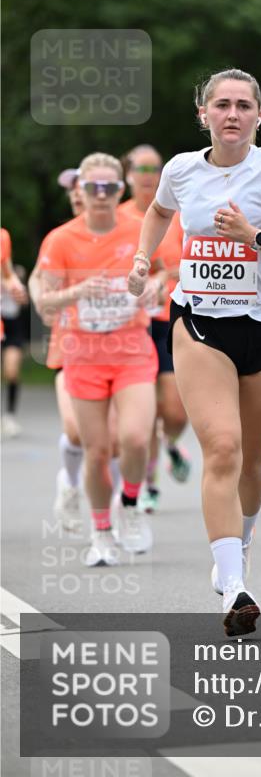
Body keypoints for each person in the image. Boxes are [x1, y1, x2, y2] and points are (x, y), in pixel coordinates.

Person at [127, 68, 261, 636]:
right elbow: (160, 212)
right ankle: (234, 587)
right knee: (222, 447)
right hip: (200, 323)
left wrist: (253, 238)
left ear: (259, 116)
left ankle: (238, 542)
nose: (232, 114)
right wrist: (144, 258)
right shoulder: (181, 170)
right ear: (203, 114)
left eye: (243, 105)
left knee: (254, 460)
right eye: (221, 105)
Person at [38, 153, 162, 566]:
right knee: (96, 449)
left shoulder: (138, 230)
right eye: (94, 188)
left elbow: (165, 271)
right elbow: (45, 304)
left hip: (131, 351)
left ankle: (129, 502)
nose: (102, 195)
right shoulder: (61, 239)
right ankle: (102, 532)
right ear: (81, 191)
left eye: (111, 188)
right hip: (83, 355)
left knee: (135, 438)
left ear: (120, 191)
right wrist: (77, 293)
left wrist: (152, 287)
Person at [120, 144, 190, 513]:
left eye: (154, 167)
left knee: (176, 412)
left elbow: (184, 263)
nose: (148, 174)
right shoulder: (115, 218)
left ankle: (171, 443)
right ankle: (148, 482)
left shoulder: (176, 216)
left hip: (168, 319)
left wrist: (163, 276)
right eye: (141, 167)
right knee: (144, 410)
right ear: (128, 174)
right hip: (131, 325)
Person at [1, 229, 28, 437]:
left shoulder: (14, 274)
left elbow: (24, 301)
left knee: (11, 370)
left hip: (13, 327)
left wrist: (15, 288)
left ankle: (9, 416)